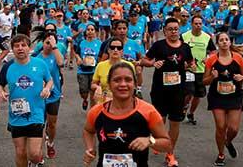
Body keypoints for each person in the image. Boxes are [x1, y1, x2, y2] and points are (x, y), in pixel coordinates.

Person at [83, 62, 172, 167]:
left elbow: (167, 144)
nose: (123, 84)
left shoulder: (148, 111)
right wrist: (90, 148)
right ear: (109, 84)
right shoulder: (96, 112)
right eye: (117, 80)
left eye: (128, 80)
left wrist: (149, 141)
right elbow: (88, 130)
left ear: (134, 84)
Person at [141, 17, 194, 167]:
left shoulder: (185, 47)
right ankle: (159, 142)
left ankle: (170, 153)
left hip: (178, 91)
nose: (173, 32)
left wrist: (191, 66)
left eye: (176, 29)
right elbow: (144, 60)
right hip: (160, 90)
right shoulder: (158, 46)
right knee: (160, 121)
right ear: (164, 31)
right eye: (170, 29)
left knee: (175, 123)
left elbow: (191, 63)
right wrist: (153, 63)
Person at [0, 34, 53, 167]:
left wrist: (47, 89)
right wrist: (1, 92)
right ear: (12, 49)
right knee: (20, 152)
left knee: (33, 155)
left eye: (23, 45)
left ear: (30, 48)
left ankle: (37, 155)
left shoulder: (39, 64)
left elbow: (49, 80)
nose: (20, 48)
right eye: (16, 46)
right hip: (16, 115)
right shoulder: (8, 67)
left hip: (36, 113)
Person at [203, 32, 243, 166]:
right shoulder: (211, 59)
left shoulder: (238, 58)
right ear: (218, 43)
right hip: (217, 97)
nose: (224, 42)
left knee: (233, 128)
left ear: (230, 42)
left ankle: (227, 141)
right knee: (221, 126)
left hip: (234, 96)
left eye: (226, 39)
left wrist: (242, 78)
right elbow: (204, 81)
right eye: (221, 40)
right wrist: (212, 77)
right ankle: (221, 153)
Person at [181, 15, 216, 125]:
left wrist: (209, 58)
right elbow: (178, 49)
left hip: (202, 70)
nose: (198, 26)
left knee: (198, 94)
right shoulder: (184, 36)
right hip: (189, 69)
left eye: (200, 24)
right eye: (196, 23)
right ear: (191, 24)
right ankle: (184, 107)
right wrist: (185, 63)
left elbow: (213, 51)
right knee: (189, 92)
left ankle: (191, 113)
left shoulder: (206, 37)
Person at [36, 26, 64, 159]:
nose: (49, 45)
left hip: (54, 95)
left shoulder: (56, 54)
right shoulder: (37, 58)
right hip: (40, 96)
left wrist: (55, 46)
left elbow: (61, 63)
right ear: (42, 43)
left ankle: (51, 143)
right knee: (41, 124)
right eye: (47, 42)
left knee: (51, 124)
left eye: (51, 43)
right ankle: (39, 151)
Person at [91, 38, 135, 105]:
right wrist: (97, 87)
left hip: (124, 102)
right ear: (108, 50)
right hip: (105, 102)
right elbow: (93, 84)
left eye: (119, 48)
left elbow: (133, 86)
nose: (115, 50)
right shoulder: (100, 65)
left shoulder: (129, 66)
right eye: (112, 47)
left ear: (122, 51)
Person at [73, 24, 102, 110]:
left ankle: (92, 111)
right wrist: (78, 59)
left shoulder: (99, 43)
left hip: (94, 71)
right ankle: (85, 99)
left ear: (95, 32)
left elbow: (102, 56)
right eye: (88, 29)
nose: (90, 31)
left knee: (93, 92)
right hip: (82, 71)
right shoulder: (81, 42)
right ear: (86, 32)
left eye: (92, 30)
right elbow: (76, 52)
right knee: (84, 92)